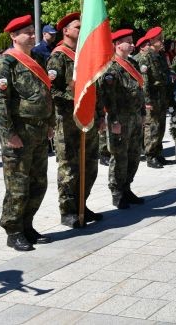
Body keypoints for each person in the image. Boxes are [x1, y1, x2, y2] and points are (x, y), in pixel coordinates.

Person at [0, 15, 55, 251]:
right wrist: (10, 134)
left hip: (39, 130)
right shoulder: (6, 64)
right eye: (26, 32)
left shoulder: (38, 59)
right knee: (18, 185)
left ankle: (27, 225)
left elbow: (47, 95)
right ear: (13, 36)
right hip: (19, 132)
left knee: (39, 183)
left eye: (32, 30)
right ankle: (14, 230)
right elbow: (0, 103)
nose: (32, 35)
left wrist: (50, 123)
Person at [46, 12, 102, 228]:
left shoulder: (85, 55)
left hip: (88, 119)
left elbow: (94, 88)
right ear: (66, 31)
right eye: (78, 27)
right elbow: (52, 90)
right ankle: (68, 211)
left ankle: (82, 204)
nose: (82, 30)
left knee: (89, 165)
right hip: (67, 121)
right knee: (69, 167)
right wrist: (76, 99)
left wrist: (99, 114)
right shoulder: (58, 57)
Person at [98, 29, 145, 209]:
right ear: (117, 44)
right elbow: (108, 97)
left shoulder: (133, 63)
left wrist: (142, 113)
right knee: (119, 156)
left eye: (132, 41)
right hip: (120, 118)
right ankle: (117, 192)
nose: (132, 44)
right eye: (128, 41)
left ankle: (127, 187)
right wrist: (114, 121)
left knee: (134, 154)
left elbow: (139, 90)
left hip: (135, 117)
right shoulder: (111, 67)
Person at [134, 27, 167, 169]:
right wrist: (146, 101)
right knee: (152, 127)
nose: (162, 41)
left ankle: (158, 153)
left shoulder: (159, 56)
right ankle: (150, 155)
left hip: (161, 97)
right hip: (152, 98)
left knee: (160, 126)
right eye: (159, 39)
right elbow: (144, 82)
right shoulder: (145, 57)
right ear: (152, 40)